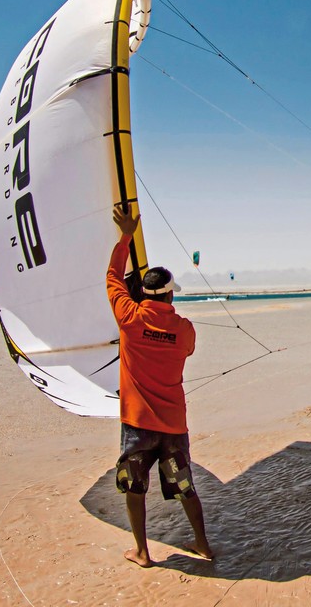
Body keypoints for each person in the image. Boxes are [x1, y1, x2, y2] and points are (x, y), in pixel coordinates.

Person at [108, 205, 213, 568]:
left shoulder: (128, 317)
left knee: (134, 487)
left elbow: (112, 279)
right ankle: (202, 544)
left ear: (144, 296)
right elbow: (185, 346)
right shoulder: (184, 329)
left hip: (138, 425)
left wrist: (125, 235)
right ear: (170, 296)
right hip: (172, 425)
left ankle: (142, 552)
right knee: (185, 485)